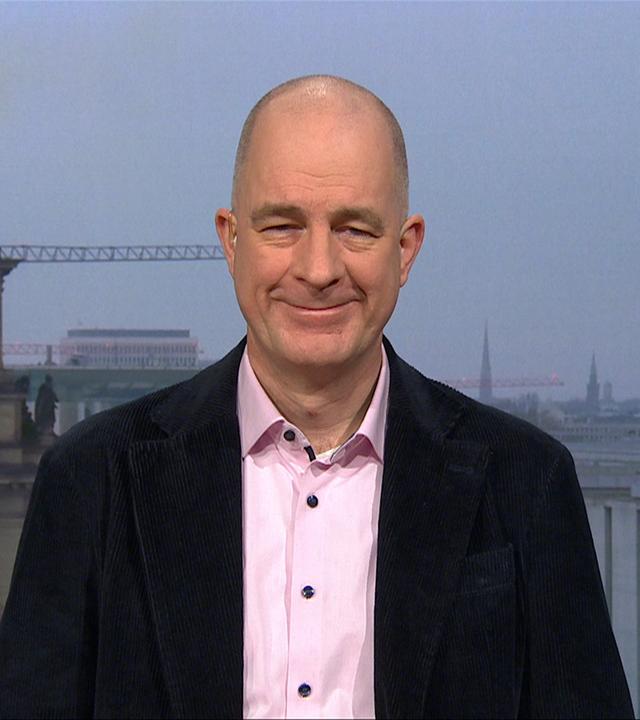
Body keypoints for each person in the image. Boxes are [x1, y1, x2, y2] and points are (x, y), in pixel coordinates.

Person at [0, 75, 632, 719]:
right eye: (282, 226)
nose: (319, 269)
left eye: (355, 230)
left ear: (406, 250)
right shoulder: (90, 480)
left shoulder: (528, 480)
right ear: (231, 240)